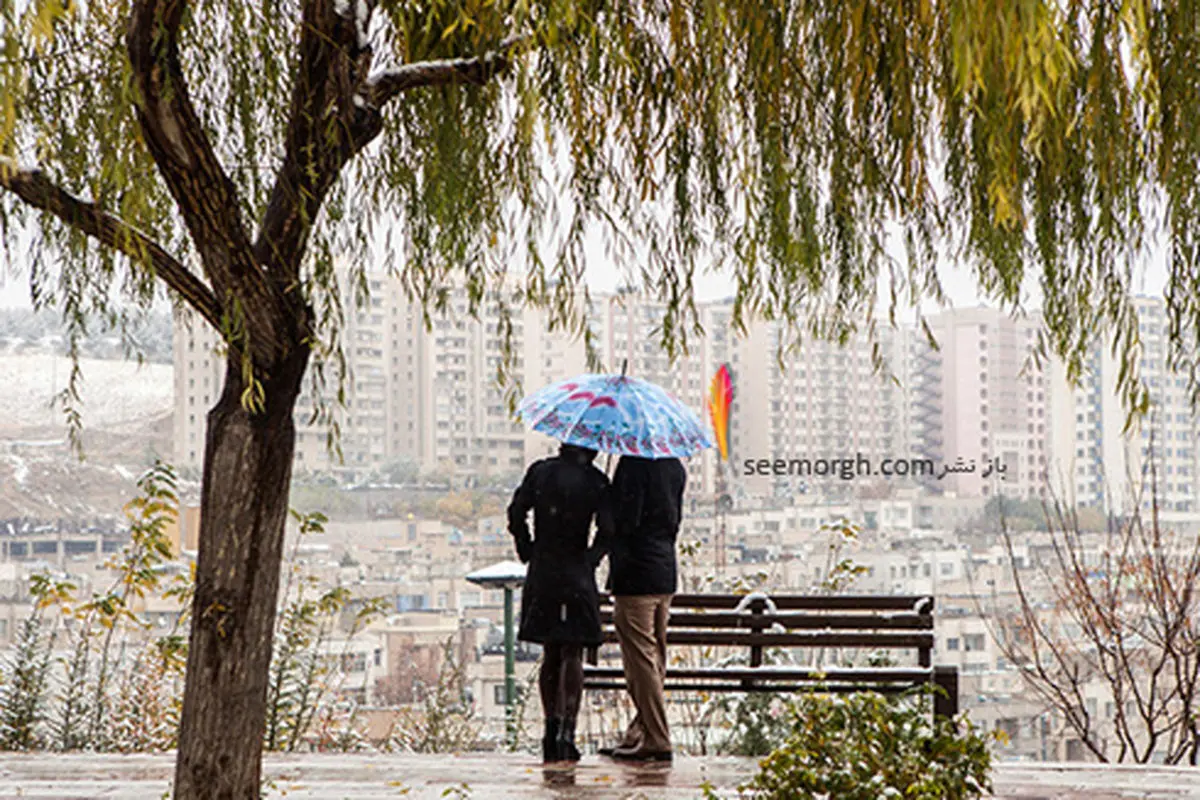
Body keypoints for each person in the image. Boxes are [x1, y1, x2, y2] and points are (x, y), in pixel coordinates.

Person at [508, 443, 613, 762]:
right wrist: (591, 559)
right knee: (572, 652)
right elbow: (609, 530)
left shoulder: (540, 472)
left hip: (544, 570)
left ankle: (549, 729)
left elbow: (516, 512)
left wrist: (527, 548)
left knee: (550, 650)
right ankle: (567, 731)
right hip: (576, 572)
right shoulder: (596, 481)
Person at [594, 454, 686, 762]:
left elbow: (626, 521)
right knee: (654, 653)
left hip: (636, 574)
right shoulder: (675, 467)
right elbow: (674, 522)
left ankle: (657, 737)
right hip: (664, 571)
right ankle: (641, 731)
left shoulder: (633, 465)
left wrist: (607, 500)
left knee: (640, 658)